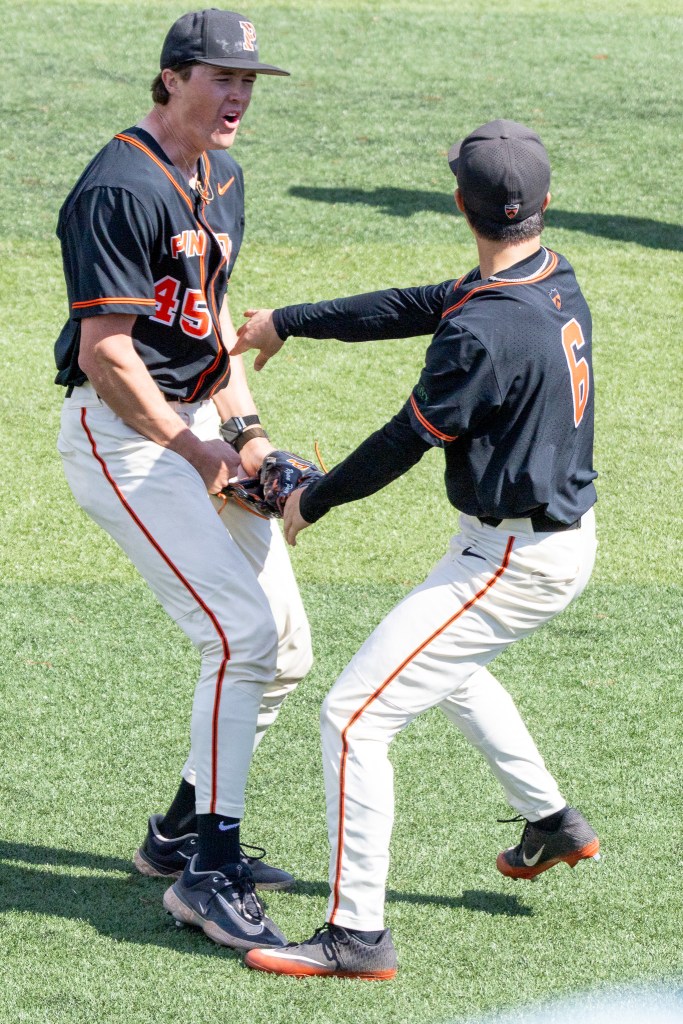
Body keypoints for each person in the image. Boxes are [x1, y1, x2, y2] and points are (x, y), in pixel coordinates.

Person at [235, 120, 601, 979]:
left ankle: (356, 935)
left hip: (513, 562)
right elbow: (416, 305)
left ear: (455, 203)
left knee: (354, 718)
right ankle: (550, 822)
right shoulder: (548, 278)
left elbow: (405, 439)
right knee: (443, 667)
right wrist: (290, 322)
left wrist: (308, 501)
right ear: (542, 206)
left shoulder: (482, 335)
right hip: (539, 541)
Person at [54, 9, 313, 952]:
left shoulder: (225, 175)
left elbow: (204, 324)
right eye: (221, 77)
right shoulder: (119, 185)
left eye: (249, 81)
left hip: (198, 426)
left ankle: (174, 838)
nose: (239, 95)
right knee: (238, 632)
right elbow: (106, 354)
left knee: (283, 647)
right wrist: (197, 449)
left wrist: (246, 434)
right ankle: (210, 869)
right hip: (127, 441)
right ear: (170, 78)